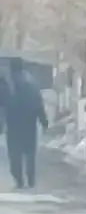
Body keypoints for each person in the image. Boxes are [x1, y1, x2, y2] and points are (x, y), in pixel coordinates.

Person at [4, 57, 48, 190]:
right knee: (29, 153)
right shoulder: (31, 84)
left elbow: (2, 105)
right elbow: (39, 104)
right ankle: (31, 179)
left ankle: (19, 180)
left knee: (14, 154)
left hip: (13, 125)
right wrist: (43, 120)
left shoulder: (7, 84)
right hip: (29, 124)